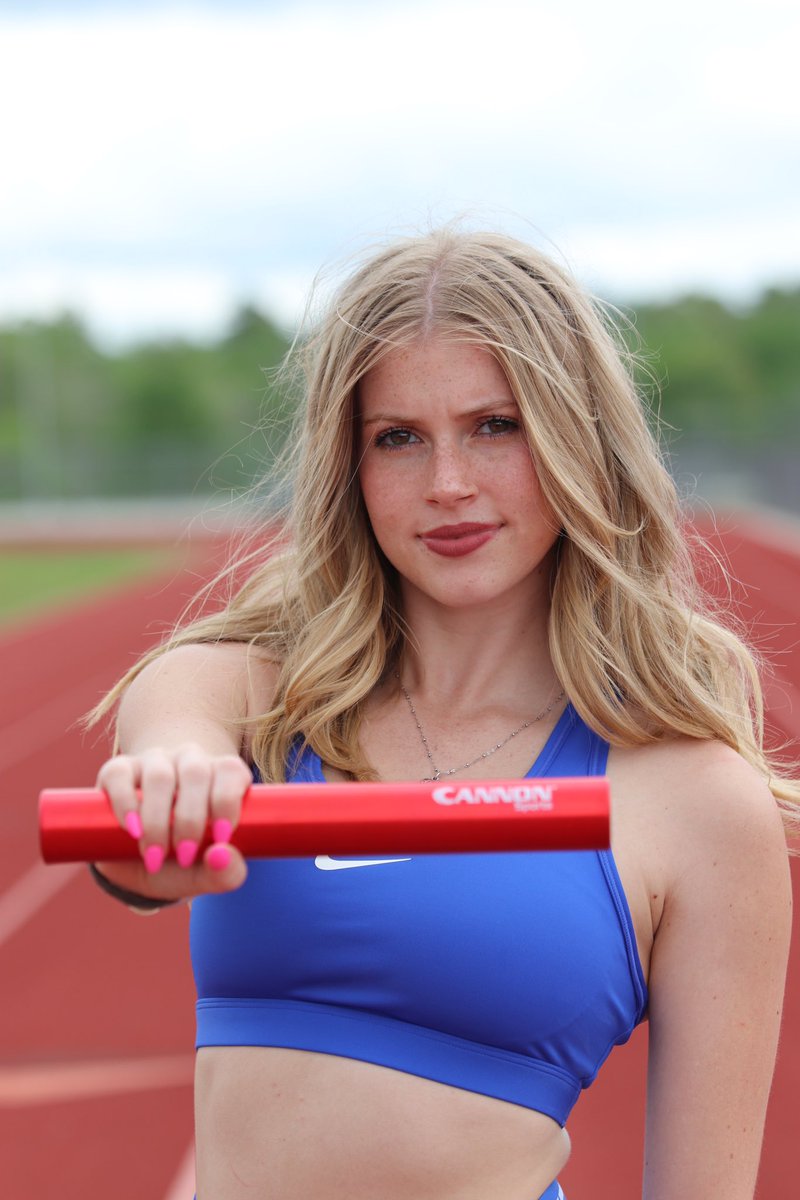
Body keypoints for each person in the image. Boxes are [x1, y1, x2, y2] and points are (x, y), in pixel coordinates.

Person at [87, 228, 797, 1200]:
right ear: (351, 466)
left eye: (493, 425)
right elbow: (170, 715)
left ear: (574, 437)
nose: (447, 484)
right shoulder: (266, 699)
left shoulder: (694, 803)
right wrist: (172, 770)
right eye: (398, 438)